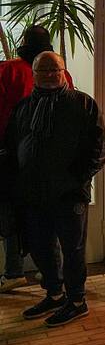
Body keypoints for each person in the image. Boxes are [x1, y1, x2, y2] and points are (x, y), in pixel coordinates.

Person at [5, 52, 105, 326]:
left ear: (64, 71)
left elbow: (98, 149)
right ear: (34, 73)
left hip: (69, 195)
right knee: (40, 247)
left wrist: (77, 181)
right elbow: (13, 147)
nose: (49, 74)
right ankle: (55, 293)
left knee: (72, 250)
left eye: (55, 69)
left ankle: (77, 300)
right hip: (33, 195)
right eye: (43, 70)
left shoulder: (83, 104)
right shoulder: (24, 107)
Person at [0, 26, 73, 293]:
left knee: (11, 215)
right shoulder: (61, 72)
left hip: (13, 157)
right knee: (48, 216)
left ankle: (14, 271)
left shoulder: (9, 70)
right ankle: (51, 274)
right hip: (51, 161)